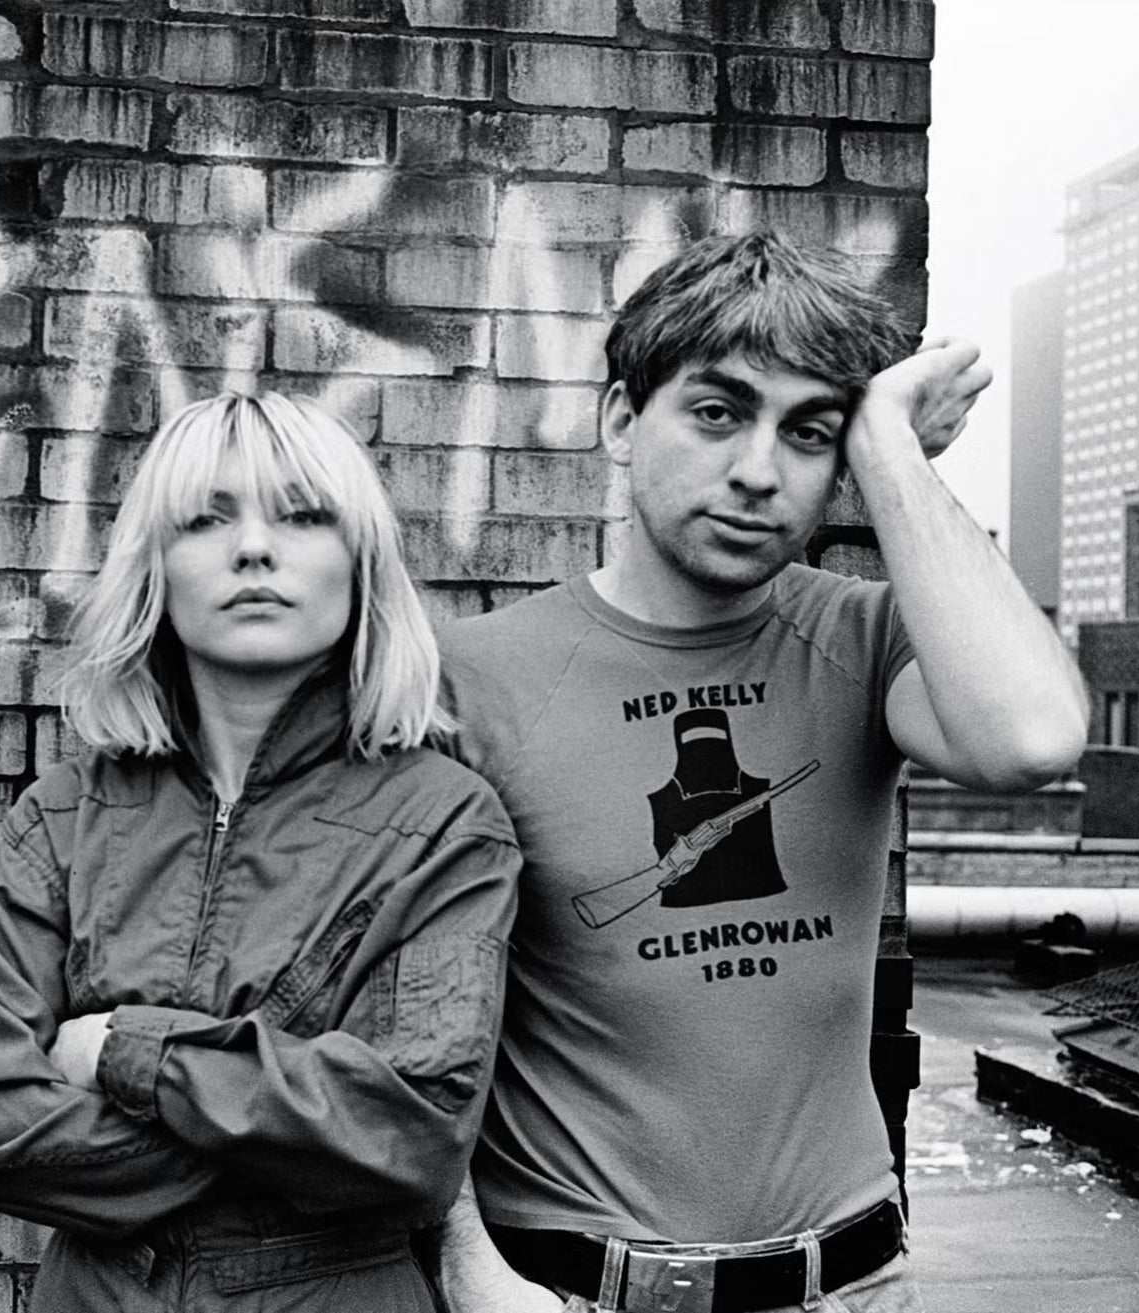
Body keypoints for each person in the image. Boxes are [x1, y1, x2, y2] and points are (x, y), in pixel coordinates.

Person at [434, 233, 1089, 1313]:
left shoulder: (864, 639)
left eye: (807, 432)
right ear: (617, 419)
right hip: (571, 1287)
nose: (757, 470)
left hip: (851, 1282)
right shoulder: (474, 675)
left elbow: (1027, 739)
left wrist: (887, 455)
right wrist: (467, 1265)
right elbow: (408, 1007)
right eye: (715, 411)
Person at [0, 390, 522, 1311]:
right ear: (155, 569)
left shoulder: (444, 827)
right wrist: (287, 1126)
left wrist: (131, 1053)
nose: (254, 548)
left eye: (302, 515)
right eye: (206, 519)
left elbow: (409, 1142)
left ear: (360, 564)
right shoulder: (60, 817)